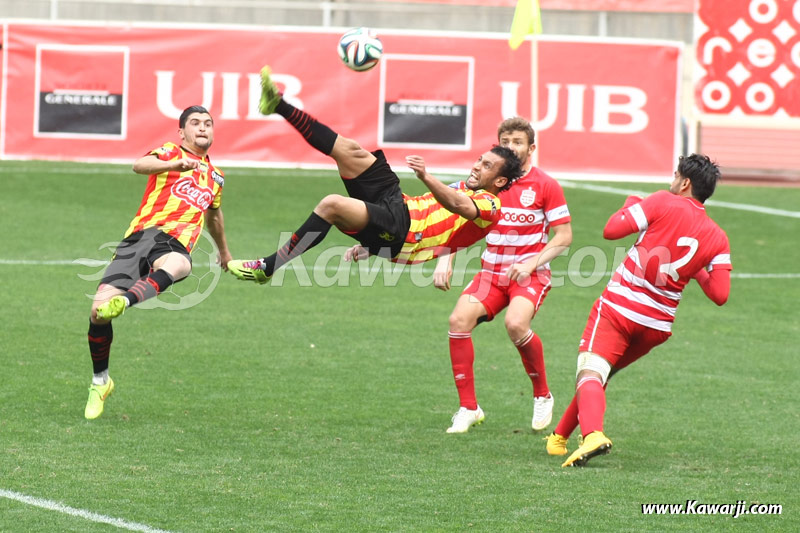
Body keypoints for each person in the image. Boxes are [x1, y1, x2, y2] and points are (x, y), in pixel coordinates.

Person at [227, 66, 524, 282]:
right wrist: (371, 245)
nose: (476, 166)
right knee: (350, 150)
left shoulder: (491, 206)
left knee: (331, 205)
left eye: (486, 166)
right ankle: (277, 104)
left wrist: (426, 177)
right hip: (398, 204)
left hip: (403, 233)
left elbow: (458, 207)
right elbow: (448, 227)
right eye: (479, 159)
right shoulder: (465, 186)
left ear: (499, 181)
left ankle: (268, 267)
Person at [547, 153, 731, 467]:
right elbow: (720, 294)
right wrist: (697, 268)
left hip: (620, 309)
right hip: (656, 326)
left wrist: (630, 205)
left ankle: (593, 435)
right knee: (599, 376)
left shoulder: (662, 201)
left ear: (685, 182)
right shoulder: (718, 237)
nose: (671, 181)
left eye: (675, 176)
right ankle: (559, 438)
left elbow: (611, 231)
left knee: (590, 371)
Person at [84, 105, 232, 420]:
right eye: (195, 123)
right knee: (97, 314)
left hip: (173, 243)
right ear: (182, 132)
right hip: (140, 237)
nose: (203, 128)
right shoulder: (169, 151)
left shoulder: (216, 177)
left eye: (208, 123)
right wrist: (176, 163)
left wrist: (224, 252)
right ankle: (100, 382)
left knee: (180, 264)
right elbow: (139, 165)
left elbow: (214, 216)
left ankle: (125, 300)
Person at [434, 117, 573, 434]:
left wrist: (531, 264)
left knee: (515, 324)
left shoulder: (545, 185)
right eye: (505, 142)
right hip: (491, 272)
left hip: (529, 275)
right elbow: (454, 216)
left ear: (531, 148)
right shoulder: (487, 180)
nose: (511, 148)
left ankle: (542, 394)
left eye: (518, 142)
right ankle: (469, 408)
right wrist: (445, 258)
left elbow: (563, 237)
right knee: (458, 321)